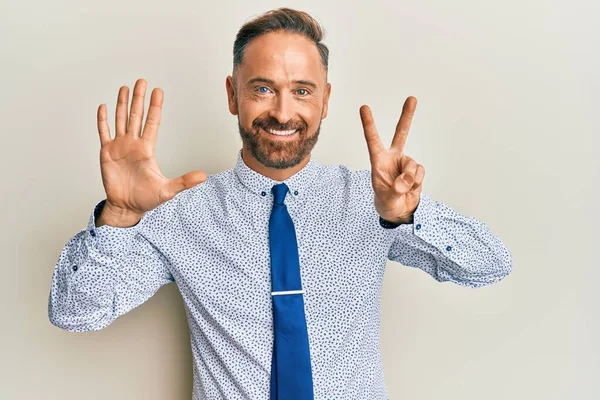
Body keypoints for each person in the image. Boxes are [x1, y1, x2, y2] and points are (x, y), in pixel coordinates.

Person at [47, 7, 512, 400]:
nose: (283, 113)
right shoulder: (180, 211)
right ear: (233, 95)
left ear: (325, 101)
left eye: (302, 91)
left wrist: (409, 215)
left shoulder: (372, 200)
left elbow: (490, 265)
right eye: (263, 88)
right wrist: (121, 217)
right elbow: (73, 312)